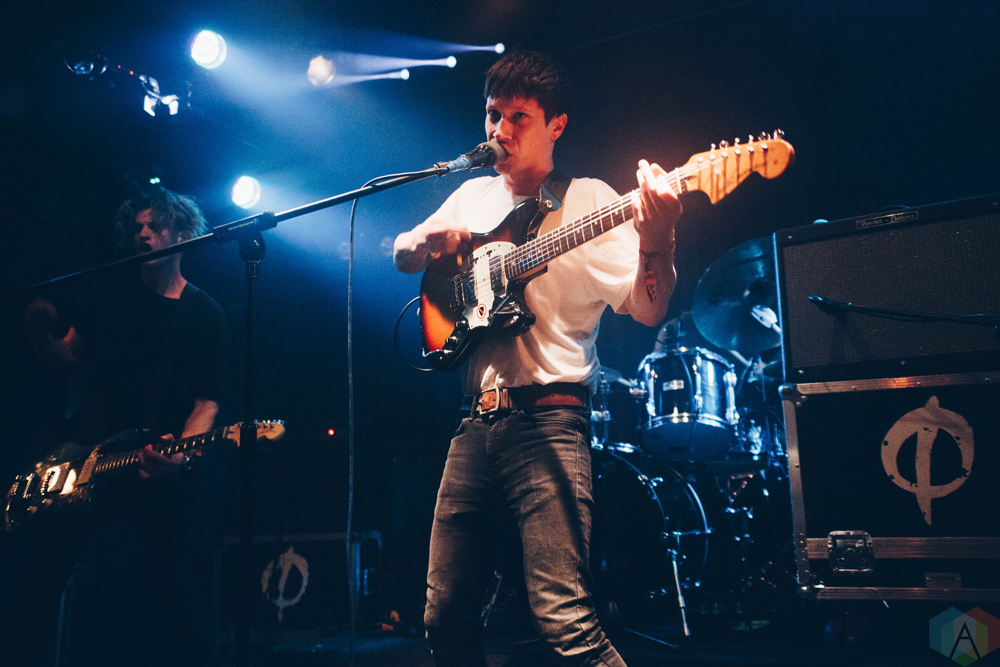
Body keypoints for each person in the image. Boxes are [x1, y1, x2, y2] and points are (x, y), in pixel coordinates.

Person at [393, 51, 681, 667]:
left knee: (566, 621)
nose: (500, 129)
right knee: (444, 617)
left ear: (556, 124)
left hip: (549, 422)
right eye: (492, 114)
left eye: (517, 116)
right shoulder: (470, 196)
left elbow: (648, 308)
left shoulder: (591, 201)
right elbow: (401, 254)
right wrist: (421, 243)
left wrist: (659, 239)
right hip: (473, 427)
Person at [8, 186, 227, 665]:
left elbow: (206, 403)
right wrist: (38, 334)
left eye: (155, 226)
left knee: (175, 584)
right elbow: (67, 358)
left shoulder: (203, 314)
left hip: (153, 463)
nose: (142, 234)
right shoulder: (108, 293)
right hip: (85, 459)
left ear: (183, 234)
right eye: (136, 228)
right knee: (42, 573)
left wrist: (181, 454)